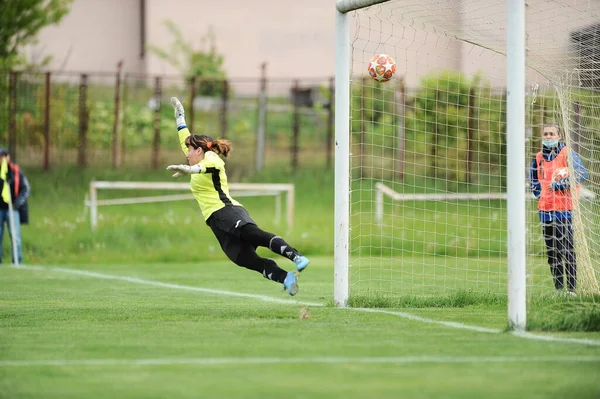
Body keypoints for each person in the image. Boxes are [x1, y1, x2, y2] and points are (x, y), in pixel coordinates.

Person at [165, 97, 309, 296]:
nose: (186, 154)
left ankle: (296, 257)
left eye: (189, 150)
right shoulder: (196, 155)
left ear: (199, 150)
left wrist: (189, 170)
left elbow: (204, 167)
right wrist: (180, 116)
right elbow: (184, 137)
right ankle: (286, 278)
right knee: (245, 259)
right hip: (215, 222)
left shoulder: (211, 158)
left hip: (227, 210)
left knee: (254, 235)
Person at [529, 123, 588, 296]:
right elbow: (533, 177)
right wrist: (538, 191)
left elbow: (582, 173)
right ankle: (559, 289)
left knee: (566, 249)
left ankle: (571, 290)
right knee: (552, 253)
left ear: (559, 136)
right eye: (546, 134)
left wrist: (563, 183)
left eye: (552, 134)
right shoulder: (539, 157)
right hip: (545, 211)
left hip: (564, 210)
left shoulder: (567, 153)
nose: (548, 136)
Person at [0, 148, 30, 264]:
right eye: (1, 156)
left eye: (5, 156)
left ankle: (18, 260)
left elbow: (25, 188)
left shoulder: (15, 171)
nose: (3, 158)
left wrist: (17, 203)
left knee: (15, 236)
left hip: (13, 209)